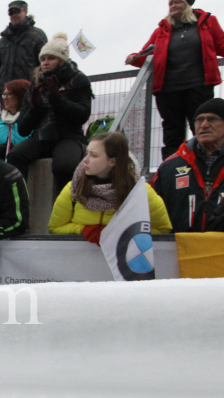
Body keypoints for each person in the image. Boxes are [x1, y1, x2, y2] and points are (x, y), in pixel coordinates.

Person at [127, 1, 224, 159]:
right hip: (168, 89)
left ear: (188, 3)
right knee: (172, 132)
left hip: (199, 85)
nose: (173, 5)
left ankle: (206, 164)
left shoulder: (207, 21)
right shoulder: (161, 30)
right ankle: (172, 171)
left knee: (201, 126)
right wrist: (134, 58)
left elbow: (221, 44)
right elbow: (145, 53)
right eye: (170, 3)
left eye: (177, 1)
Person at [8, 33, 93, 193]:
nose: (45, 63)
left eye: (50, 58)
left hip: (69, 136)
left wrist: (58, 100)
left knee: (64, 166)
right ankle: (20, 206)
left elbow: (83, 115)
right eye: (43, 59)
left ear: (61, 60)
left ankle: (67, 206)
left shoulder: (78, 80)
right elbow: (23, 129)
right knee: (15, 156)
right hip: (41, 137)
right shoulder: (37, 82)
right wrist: (36, 108)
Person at [49, 132, 172, 240]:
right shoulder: (74, 189)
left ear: (112, 161)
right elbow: (55, 228)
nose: (85, 160)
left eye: (94, 155)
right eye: (87, 153)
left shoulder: (140, 192)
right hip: (82, 262)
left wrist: (124, 233)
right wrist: (85, 230)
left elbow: (163, 229)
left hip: (121, 263)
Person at [151, 98, 224, 232]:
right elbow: (152, 213)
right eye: (199, 120)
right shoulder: (169, 167)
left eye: (212, 119)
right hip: (179, 249)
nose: (204, 125)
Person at [0, 1, 49, 106]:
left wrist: (44, 87)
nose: (14, 15)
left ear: (25, 12)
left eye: (17, 11)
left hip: (28, 91)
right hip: (6, 93)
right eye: (11, 12)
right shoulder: (2, 42)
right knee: (6, 122)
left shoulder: (37, 35)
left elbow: (44, 65)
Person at [0, 79, 32, 161]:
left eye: (9, 94)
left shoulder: (31, 120)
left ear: (21, 96)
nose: (5, 98)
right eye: (4, 94)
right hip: (0, 168)